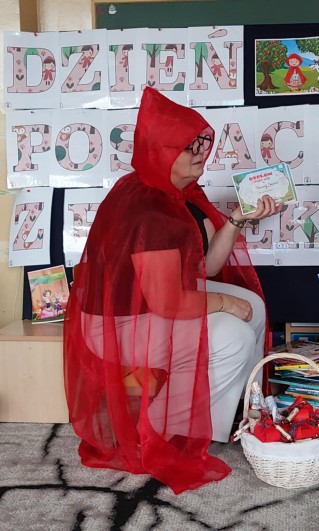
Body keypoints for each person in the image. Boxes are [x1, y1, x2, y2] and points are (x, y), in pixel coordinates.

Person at [64, 87, 282, 495]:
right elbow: (170, 302)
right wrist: (224, 302)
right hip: (117, 324)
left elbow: (207, 267)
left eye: (200, 143)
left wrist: (237, 219)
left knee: (252, 304)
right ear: (161, 151)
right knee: (233, 335)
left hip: (147, 306)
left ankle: (223, 422)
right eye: (188, 146)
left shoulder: (175, 194)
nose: (200, 153)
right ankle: (162, 434)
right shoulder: (149, 209)